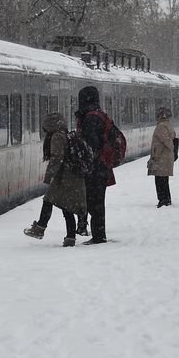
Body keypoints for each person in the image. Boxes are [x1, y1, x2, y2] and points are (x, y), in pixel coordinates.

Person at [23, 112, 87, 247]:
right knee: (66, 207)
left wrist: (49, 176)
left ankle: (40, 228)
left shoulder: (57, 136)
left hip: (65, 177)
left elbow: (57, 157)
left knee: (49, 200)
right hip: (72, 175)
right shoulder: (65, 134)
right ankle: (70, 237)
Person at [75, 86, 115, 245]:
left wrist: (84, 161)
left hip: (95, 169)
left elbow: (91, 146)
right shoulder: (99, 115)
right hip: (101, 167)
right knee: (97, 202)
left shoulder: (91, 119)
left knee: (94, 203)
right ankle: (98, 234)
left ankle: (98, 236)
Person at [147, 106, 176, 208]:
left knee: (160, 180)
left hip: (161, 158)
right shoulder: (168, 124)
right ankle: (166, 199)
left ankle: (163, 200)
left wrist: (156, 155)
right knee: (164, 180)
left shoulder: (161, 126)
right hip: (165, 157)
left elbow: (166, 141)